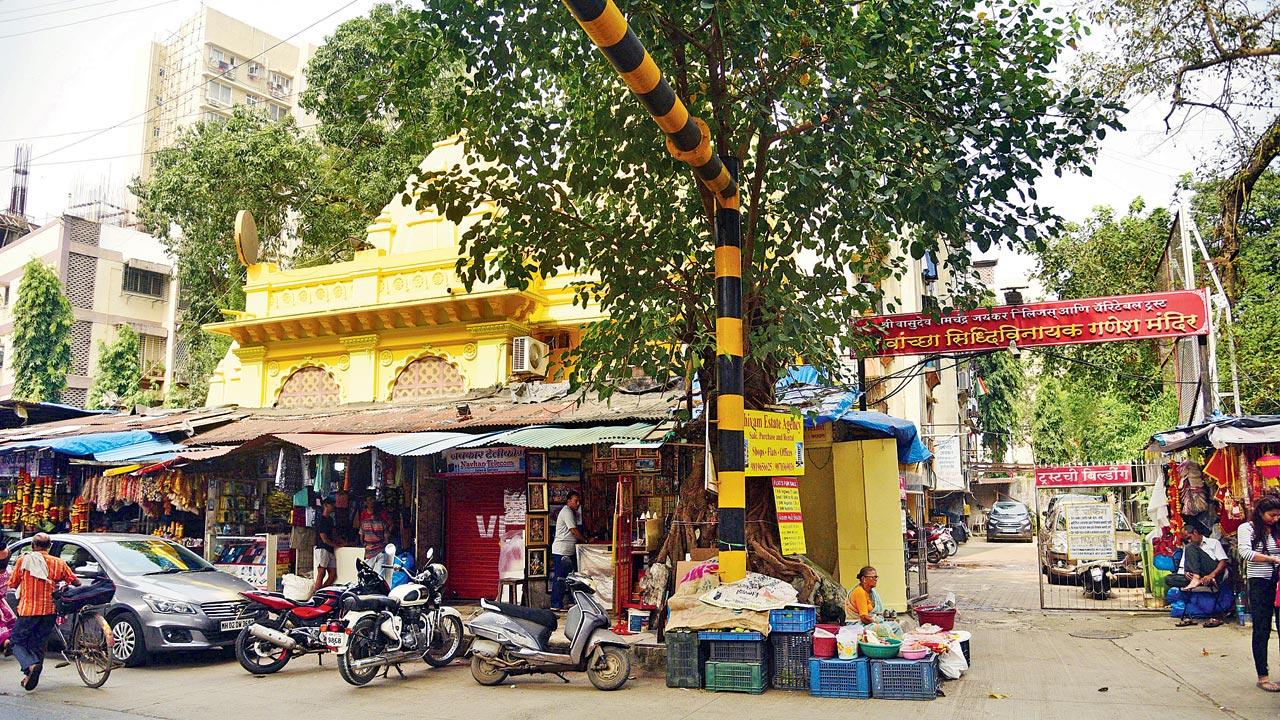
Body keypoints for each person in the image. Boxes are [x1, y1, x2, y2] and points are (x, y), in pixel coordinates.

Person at [9, 533, 79, 691]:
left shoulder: (24, 560)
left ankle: (30, 666)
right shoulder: (59, 563)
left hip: (28, 610)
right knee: (38, 644)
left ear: (33, 546)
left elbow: (13, 584)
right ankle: (30, 676)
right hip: (50, 610)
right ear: (49, 547)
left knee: (16, 642)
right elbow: (76, 581)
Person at [1238, 494, 1280, 692]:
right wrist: (1273, 560)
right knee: (1262, 629)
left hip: (1278, 583)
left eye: (1278, 515)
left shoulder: (1277, 529)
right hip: (1260, 583)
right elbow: (1246, 553)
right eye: (1272, 515)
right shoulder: (1247, 528)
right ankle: (1262, 676)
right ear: (1261, 513)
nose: (1275, 519)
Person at [1168, 519, 1230, 627]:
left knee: (1191, 547)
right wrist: (1187, 573)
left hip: (1212, 573)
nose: (1189, 541)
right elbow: (1183, 568)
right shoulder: (1188, 548)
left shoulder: (1213, 543)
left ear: (1195, 532)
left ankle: (1196, 578)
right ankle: (1196, 579)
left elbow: (1223, 562)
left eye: (1189, 537)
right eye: (1187, 539)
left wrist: (1212, 575)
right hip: (1198, 576)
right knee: (1169, 578)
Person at [550, 491, 586, 611]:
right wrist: (584, 540)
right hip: (561, 551)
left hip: (568, 551)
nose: (578, 503)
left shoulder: (570, 512)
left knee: (570, 577)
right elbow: (573, 531)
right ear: (568, 501)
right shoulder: (567, 512)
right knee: (560, 578)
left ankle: (570, 602)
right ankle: (555, 604)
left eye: (578, 501)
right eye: (575, 501)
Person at [311, 498, 341, 595]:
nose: (333, 507)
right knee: (321, 573)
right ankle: (316, 594)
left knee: (332, 575)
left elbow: (334, 534)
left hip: (329, 549)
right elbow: (324, 539)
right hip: (322, 548)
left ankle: (322, 593)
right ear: (326, 506)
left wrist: (341, 542)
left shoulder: (330, 520)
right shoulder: (321, 520)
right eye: (331, 505)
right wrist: (335, 544)